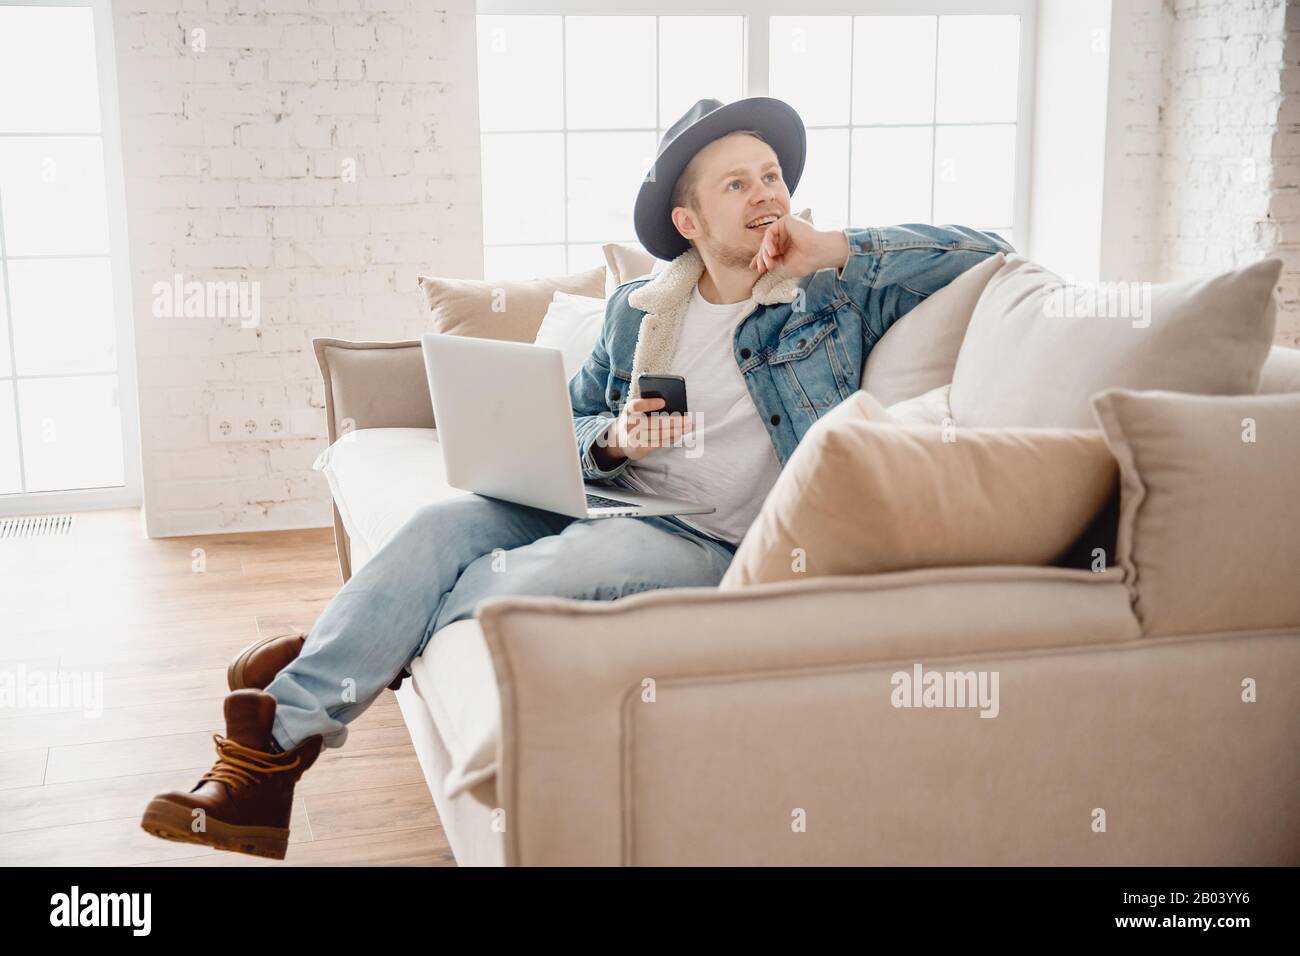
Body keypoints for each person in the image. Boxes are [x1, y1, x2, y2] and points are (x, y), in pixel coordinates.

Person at [140, 95, 1011, 859]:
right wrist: (616, 440)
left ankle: (280, 733)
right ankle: (277, 755)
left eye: (772, 175)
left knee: (527, 576)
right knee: (441, 528)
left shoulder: (833, 295)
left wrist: (831, 247)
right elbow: (573, 415)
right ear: (689, 221)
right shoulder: (644, 310)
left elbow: (984, 250)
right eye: (736, 184)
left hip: (714, 539)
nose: (767, 195)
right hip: (606, 496)